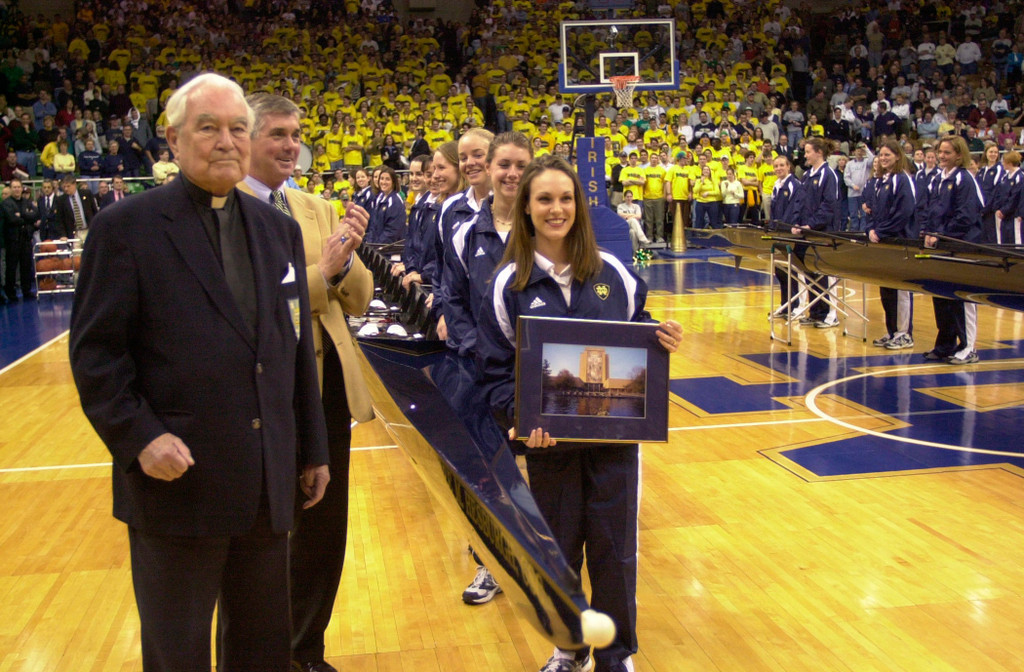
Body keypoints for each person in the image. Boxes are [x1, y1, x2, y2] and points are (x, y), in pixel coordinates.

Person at [68, 73, 330, 672]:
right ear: (172, 139)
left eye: (238, 128)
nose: (226, 141)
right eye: (208, 127)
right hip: (177, 482)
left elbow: (291, 349)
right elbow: (96, 355)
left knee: (262, 650)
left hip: (266, 484)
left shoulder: (279, 231)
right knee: (178, 653)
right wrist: (140, 438)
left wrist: (313, 448)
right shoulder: (125, 229)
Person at [475, 154, 683, 672]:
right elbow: (495, 372)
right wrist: (517, 421)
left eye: (565, 198)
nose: (556, 208)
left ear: (579, 205)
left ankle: (615, 655)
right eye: (544, 198)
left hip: (614, 445)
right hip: (549, 447)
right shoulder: (508, 286)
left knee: (615, 555)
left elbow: (637, 331)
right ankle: (568, 647)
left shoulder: (616, 273)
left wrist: (662, 337)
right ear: (525, 207)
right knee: (559, 551)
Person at [235, 93, 373, 672]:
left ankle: (307, 652)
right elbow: (262, 305)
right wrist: (325, 274)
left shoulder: (315, 206)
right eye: (278, 135)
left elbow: (360, 296)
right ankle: (265, 655)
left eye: (296, 134)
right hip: (266, 392)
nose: (292, 146)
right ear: (247, 140)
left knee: (324, 530)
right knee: (269, 535)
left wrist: (343, 263)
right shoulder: (228, 209)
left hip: (328, 386)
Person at [921, 136, 984, 365]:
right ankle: (945, 345)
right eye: (940, 152)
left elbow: (966, 215)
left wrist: (942, 235)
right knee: (942, 296)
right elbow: (932, 210)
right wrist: (928, 232)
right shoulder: (939, 178)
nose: (942, 156)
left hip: (960, 245)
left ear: (959, 154)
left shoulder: (964, 179)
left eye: (947, 152)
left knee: (962, 297)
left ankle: (969, 347)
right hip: (941, 245)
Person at [866, 140, 917, 350]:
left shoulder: (902, 180)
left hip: (900, 241)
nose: (884, 158)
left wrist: (882, 231)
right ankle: (892, 330)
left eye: (888, 155)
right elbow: (875, 210)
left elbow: (904, 212)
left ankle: (904, 333)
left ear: (898, 156)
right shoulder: (882, 180)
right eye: (881, 155)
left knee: (901, 288)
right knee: (886, 289)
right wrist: (871, 229)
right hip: (883, 241)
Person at [793, 137, 841, 328]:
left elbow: (829, 206)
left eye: (808, 151)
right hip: (807, 232)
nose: (805, 155)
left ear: (819, 153)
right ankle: (816, 311)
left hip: (824, 232)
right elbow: (801, 202)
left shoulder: (829, 175)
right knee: (810, 271)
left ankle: (831, 315)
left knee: (826, 273)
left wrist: (811, 225)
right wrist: (798, 223)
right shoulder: (806, 176)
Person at [769, 155, 805, 319]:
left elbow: (795, 210)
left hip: (789, 234)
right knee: (780, 271)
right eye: (776, 166)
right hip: (778, 233)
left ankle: (796, 305)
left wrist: (788, 229)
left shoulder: (794, 185)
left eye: (782, 165)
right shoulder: (776, 185)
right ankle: (785, 305)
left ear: (788, 166)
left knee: (792, 271)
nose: (778, 169)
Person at [2, 178, 39, 300]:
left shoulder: (26, 201)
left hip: (26, 239)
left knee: (26, 266)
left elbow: (35, 215)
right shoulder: (6, 203)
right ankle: (11, 293)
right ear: (11, 189)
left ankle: (26, 291)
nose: (17, 189)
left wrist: (21, 214)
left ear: (21, 188)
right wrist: (26, 216)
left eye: (19, 187)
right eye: (14, 187)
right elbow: (12, 219)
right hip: (12, 240)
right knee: (11, 268)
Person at [364, 165, 406, 244]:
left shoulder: (395, 201)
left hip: (390, 248)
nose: (383, 182)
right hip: (377, 246)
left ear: (393, 182)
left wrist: (378, 245)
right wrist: (369, 242)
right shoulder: (380, 197)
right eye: (382, 179)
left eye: (387, 179)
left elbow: (393, 230)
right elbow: (374, 224)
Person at [976, 142, 1005, 244]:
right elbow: (977, 189)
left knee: (993, 236)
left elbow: (996, 191)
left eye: (995, 152)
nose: (993, 154)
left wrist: (987, 207)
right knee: (983, 235)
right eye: (991, 152)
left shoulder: (999, 169)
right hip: (981, 209)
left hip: (992, 209)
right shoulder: (982, 170)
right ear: (986, 153)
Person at [54, 175, 99, 240]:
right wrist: (63, 235)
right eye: (64, 187)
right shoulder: (61, 200)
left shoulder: (86, 194)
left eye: (68, 186)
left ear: (74, 184)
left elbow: (95, 212)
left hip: (88, 231)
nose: (66, 189)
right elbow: (59, 220)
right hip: (74, 234)